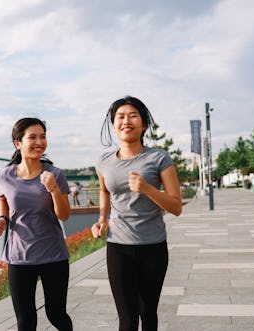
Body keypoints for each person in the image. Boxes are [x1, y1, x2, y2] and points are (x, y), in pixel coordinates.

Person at [91, 96, 182, 331]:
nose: (126, 121)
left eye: (133, 116)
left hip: (152, 247)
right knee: (127, 319)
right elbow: (103, 190)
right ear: (114, 125)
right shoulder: (103, 161)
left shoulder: (159, 158)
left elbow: (176, 206)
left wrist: (147, 189)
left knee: (147, 313)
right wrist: (102, 219)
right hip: (118, 247)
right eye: (120, 117)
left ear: (143, 125)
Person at [0, 117, 73, 331]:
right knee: (25, 322)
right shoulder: (4, 175)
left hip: (53, 256)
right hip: (19, 258)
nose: (40, 142)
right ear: (18, 143)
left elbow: (64, 215)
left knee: (56, 314)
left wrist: (54, 188)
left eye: (43, 136)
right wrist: (2, 219)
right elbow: (3, 199)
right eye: (33, 137)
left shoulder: (55, 174)